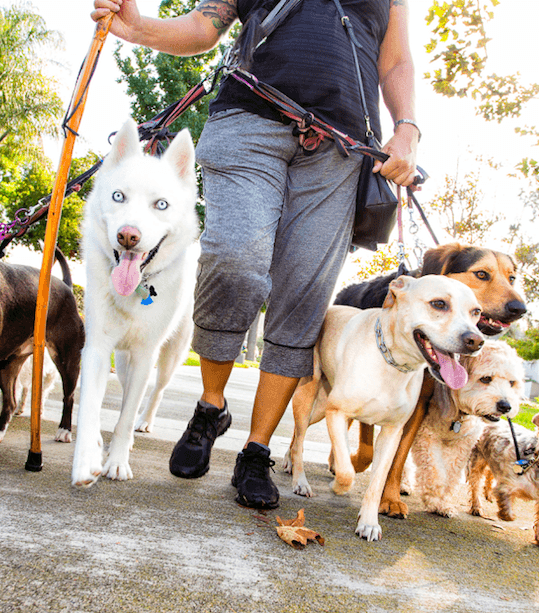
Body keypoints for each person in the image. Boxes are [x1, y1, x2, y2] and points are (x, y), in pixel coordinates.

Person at [91, 0, 419, 509]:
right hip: (249, 120)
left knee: (304, 294)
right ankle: (211, 406)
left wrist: (407, 129)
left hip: (341, 148)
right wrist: (137, 29)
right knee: (234, 259)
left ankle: (256, 449)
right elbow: (203, 26)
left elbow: (394, 60)